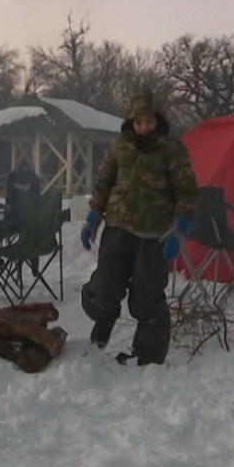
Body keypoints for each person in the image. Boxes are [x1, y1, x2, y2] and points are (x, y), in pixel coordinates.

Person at [80, 88, 198, 366]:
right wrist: (94, 215)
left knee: (147, 299)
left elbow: (187, 191)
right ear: (131, 122)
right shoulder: (119, 147)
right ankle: (104, 321)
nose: (144, 127)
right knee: (105, 287)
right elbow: (104, 182)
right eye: (139, 122)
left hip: (154, 235)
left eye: (149, 121)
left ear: (157, 120)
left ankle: (147, 356)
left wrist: (181, 226)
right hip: (118, 228)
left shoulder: (172, 149)